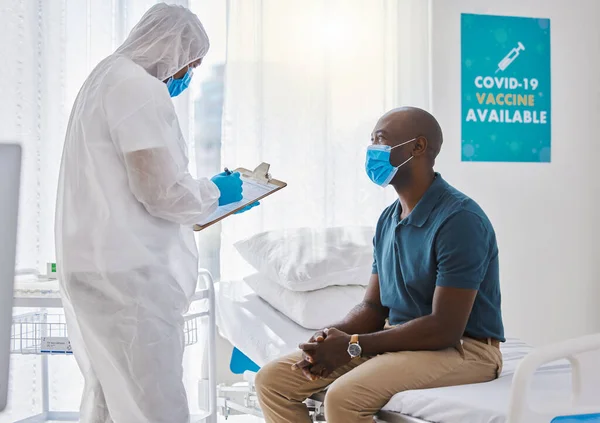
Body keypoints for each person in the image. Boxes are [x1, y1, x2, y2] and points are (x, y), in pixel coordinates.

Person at [55, 4, 256, 422]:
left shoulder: (104, 77)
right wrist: (218, 193)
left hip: (96, 268)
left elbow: (133, 182)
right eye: (190, 64)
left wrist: (211, 197)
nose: (187, 75)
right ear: (173, 48)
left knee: (111, 396)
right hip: (130, 278)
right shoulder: (137, 87)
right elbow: (161, 193)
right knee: (155, 403)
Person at [255, 106, 504, 423]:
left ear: (418, 147)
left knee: (343, 398)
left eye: (381, 140)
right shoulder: (389, 220)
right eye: (371, 141)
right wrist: (331, 338)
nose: (373, 151)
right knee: (272, 382)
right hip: (403, 341)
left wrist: (353, 347)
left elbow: (445, 328)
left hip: (464, 349)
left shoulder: (459, 220)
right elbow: (373, 307)